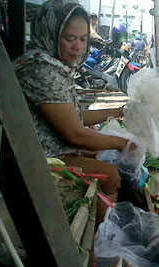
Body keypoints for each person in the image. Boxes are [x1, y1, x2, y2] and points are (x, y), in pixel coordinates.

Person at [14, 0, 136, 223]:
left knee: (106, 159)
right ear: (50, 32)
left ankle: (103, 239)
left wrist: (119, 111)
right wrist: (122, 143)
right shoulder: (41, 70)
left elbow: (76, 116)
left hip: (54, 149)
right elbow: (75, 134)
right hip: (40, 159)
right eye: (69, 39)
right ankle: (98, 247)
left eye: (82, 39)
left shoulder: (52, 65)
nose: (78, 47)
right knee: (110, 175)